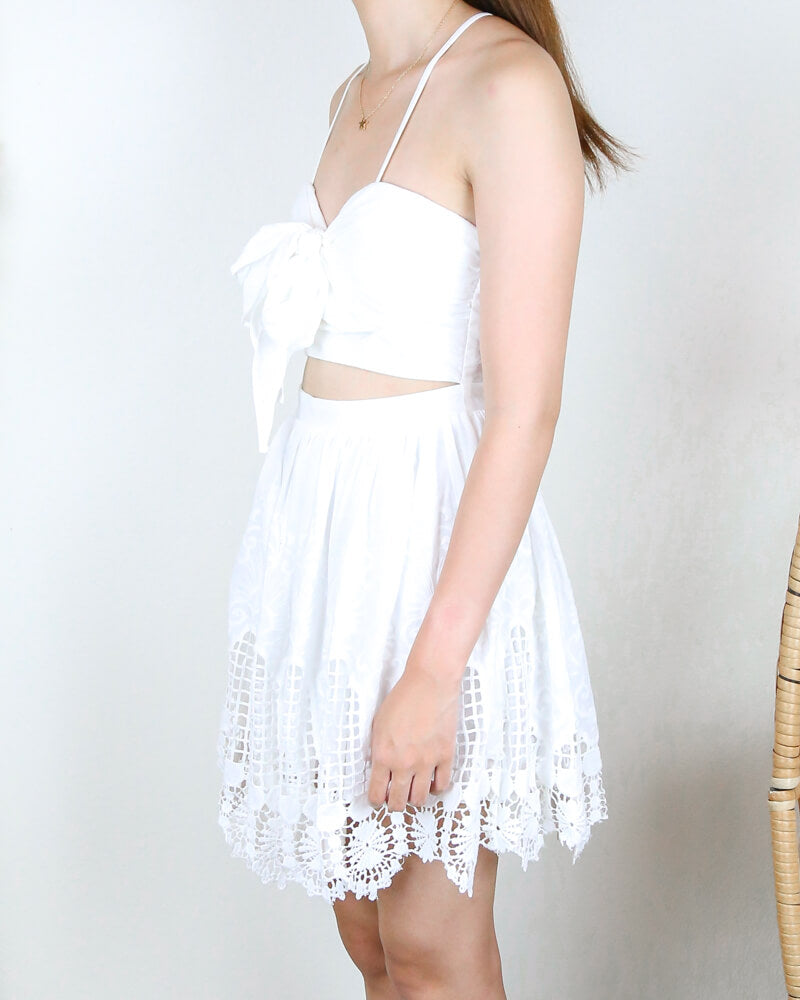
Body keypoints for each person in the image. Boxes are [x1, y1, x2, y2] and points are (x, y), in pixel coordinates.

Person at [217, 2, 632, 997]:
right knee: (371, 943)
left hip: (430, 556)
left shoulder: (506, 85)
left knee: (430, 953)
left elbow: (525, 410)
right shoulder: (355, 94)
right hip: (329, 560)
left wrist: (435, 669)